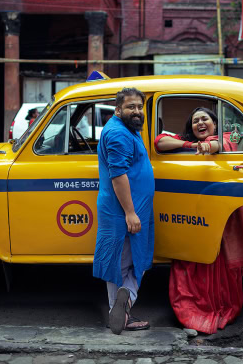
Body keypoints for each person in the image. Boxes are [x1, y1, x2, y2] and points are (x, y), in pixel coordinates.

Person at [155, 107, 243, 335]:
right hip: (192, 217)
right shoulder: (184, 142)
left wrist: (207, 145)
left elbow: (217, 146)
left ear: (215, 124)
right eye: (195, 120)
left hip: (218, 219)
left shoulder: (224, 139)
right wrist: (190, 146)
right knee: (190, 262)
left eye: (205, 118)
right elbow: (159, 142)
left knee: (219, 263)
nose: (200, 123)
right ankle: (193, 310)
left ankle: (215, 308)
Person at [93, 87, 155, 335]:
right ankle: (122, 306)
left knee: (123, 262)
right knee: (125, 263)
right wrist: (130, 212)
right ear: (118, 109)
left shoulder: (127, 129)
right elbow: (118, 175)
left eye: (140, 107)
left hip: (127, 210)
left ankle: (120, 305)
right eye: (131, 107)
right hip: (124, 212)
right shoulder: (119, 133)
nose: (137, 111)